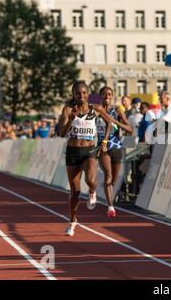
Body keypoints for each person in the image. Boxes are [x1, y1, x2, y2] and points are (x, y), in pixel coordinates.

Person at [59, 81, 117, 237]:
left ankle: (92, 191)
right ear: (74, 95)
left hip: (89, 151)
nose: (82, 96)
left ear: (88, 94)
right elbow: (60, 133)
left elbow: (109, 123)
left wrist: (104, 141)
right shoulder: (68, 109)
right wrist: (71, 119)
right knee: (75, 192)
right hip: (72, 152)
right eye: (78, 93)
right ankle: (72, 220)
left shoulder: (95, 109)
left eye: (84, 93)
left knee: (91, 180)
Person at [97, 86, 133, 218]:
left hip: (116, 147)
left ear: (112, 96)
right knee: (108, 175)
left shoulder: (117, 110)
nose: (107, 96)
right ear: (100, 96)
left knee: (113, 179)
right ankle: (111, 206)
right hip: (102, 148)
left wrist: (115, 121)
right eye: (104, 94)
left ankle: (109, 193)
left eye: (109, 94)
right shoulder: (97, 111)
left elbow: (130, 129)